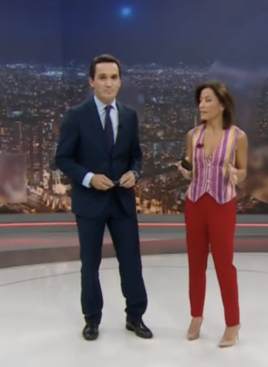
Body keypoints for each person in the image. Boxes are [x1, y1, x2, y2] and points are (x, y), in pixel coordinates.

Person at [55, 54, 152, 341]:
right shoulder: (76, 115)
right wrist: (89, 178)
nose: (109, 83)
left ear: (120, 82)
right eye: (103, 78)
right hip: (90, 203)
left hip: (122, 202)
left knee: (131, 262)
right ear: (91, 82)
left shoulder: (129, 116)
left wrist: (134, 173)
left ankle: (135, 316)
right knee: (90, 265)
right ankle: (92, 319)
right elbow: (63, 158)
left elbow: (136, 156)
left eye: (114, 77)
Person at [176, 81, 248, 348]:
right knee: (195, 263)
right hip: (195, 204)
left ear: (222, 104)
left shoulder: (238, 137)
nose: (202, 105)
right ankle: (196, 316)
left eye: (208, 100)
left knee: (223, 264)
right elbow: (193, 171)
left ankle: (233, 323)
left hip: (222, 205)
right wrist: (187, 173)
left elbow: (244, 171)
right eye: (200, 100)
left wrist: (236, 174)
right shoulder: (192, 135)